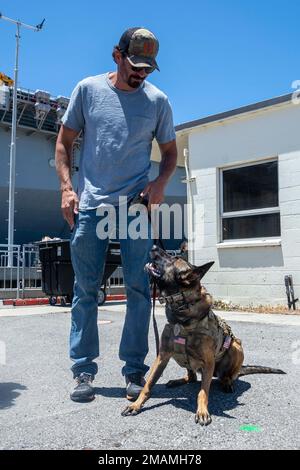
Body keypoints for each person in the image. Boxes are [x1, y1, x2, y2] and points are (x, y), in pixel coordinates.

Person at [55, 27, 177, 402]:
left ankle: (134, 371)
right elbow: (64, 141)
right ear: (116, 55)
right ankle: (83, 371)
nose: (141, 74)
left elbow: (170, 153)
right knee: (85, 290)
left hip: (136, 208)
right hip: (92, 207)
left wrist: (159, 185)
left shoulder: (157, 101)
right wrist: (66, 188)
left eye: (147, 68)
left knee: (139, 290)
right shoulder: (88, 90)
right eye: (135, 65)